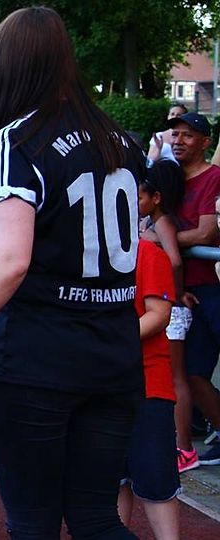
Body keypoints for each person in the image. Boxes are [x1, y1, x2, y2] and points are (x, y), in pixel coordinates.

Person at [0, 7, 146, 538]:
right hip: (114, 351)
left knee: (33, 521)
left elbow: (11, 260)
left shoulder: (17, 141)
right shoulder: (119, 139)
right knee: (97, 516)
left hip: (39, 355)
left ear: (12, 64)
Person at [116, 235, 180, 539]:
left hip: (147, 386)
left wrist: (108, 340)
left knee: (156, 484)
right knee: (108, 482)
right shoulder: (89, 251)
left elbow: (159, 314)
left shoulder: (148, 253)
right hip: (100, 385)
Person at [137, 160, 198, 473]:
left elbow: (174, 260)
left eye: (140, 197)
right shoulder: (156, 221)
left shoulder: (162, 223)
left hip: (170, 310)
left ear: (156, 197)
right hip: (169, 305)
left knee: (175, 377)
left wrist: (175, 293)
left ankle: (184, 447)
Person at [167, 111, 220, 467]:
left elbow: (206, 233)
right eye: (175, 134)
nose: (179, 140)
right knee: (194, 373)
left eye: (187, 135)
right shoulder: (171, 178)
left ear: (205, 142)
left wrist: (163, 237)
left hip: (213, 286)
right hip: (187, 290)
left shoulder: (213, 177)